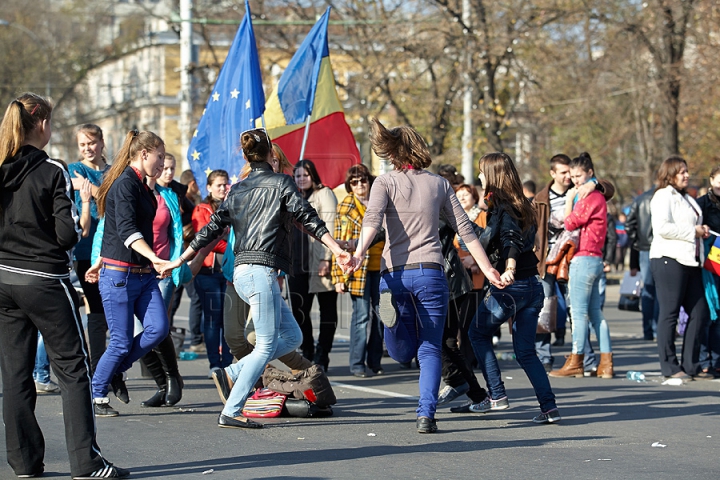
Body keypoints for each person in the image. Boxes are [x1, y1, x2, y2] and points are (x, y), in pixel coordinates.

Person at [161, 128, 350, 429]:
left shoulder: (237, 190)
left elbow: (209, 230)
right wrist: (336, 246)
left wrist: (180, 259)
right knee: (264, 346)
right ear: (271, 155)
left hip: (243, 274)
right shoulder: (281, 183)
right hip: (262, 273)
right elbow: (308, 217)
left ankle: (234, 372)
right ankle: (231, 410)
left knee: (293, 337)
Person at [0, 93, 127, 479]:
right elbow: (67, 234)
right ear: (42, 125)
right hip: (44, 280)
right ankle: (86, 463)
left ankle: (23, 462)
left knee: (14, 373)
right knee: (73, 369)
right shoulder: (52, 169)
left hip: (4, 279)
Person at [348, 119, 503, 434]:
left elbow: (373, 220)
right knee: (430, 348)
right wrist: (489, 270)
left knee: (401, 352)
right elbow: (466, 231)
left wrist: (359, 252)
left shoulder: (385, 182)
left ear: (392, 152)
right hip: (432, 274)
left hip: (394, 274)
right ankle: (426, 415)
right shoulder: (439, 184)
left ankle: (391, 324)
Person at [464, 152, 560, 424]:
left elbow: (510, 239)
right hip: (532, 287)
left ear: (492, 175)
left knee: (477, 333)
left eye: (482, 171)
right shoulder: (523, 204)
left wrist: (509, 268)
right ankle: (549, 408)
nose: (479, 176)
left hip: (512, 287)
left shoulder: (503, 207)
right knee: (526, 351)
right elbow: (498, 237)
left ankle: (496, 394)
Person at [85, 129, 170, 417]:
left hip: (143, 275)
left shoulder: (144, 187)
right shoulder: (124, 185)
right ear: (144, 154)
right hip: (120, 276)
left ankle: (114, 372)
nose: (162, 163)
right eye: (159, 157)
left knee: (158, 328)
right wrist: (154, 257)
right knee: (120, 342)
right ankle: (97, 394)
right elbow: (126, 231)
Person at [533, 154, 612, 371]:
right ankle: (604, 363)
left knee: (577, 312)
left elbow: (570, 222)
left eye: (576, 174)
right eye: (566, 173)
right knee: (549, 307)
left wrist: (586, 188)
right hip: (553, 258)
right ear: (553, 174)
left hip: (579, 257)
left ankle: (580, 361)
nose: (571, 178)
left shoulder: (587, 194)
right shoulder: (542, 197)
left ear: (589, 174)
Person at [137, 153, 192, 406]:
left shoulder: (168, 196)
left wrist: (175, 263)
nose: (163, 171)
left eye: (168, 167)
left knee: (157, 326)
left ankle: (171, 378)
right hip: (133, 270)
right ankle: (162, 383)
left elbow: (178, 231)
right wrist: (98, 261)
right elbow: (107, 229)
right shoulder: (130, 191)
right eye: (160, 166)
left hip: (162, 271)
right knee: (136, 333)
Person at [650, 156, 710, 381]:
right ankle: (669, 365)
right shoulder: (663, 195)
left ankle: (690, 364)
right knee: (670, 313)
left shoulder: (686, 197)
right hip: (668, 259)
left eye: (686, 171)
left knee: (700, 311)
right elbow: (662, 228)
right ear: (670, 174)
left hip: (691, 260)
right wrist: (692, 231)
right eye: (681, 171)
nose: (686, 175)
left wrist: (701, 230)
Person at [437, 184, 492, 411]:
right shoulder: (410, 209)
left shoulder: (444, 210)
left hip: (451, 281)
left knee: (442, 339)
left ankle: (459, 383)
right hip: (434, 279)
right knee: (446, 341)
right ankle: (476, 394)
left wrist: (486, 262)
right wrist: (355, 247)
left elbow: (475, 233)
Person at [331, 164, 385, 377]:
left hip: (384, 267)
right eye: (354, 182)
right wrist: (338, 276)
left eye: (363, 180)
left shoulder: (381, 203)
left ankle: (375, 361)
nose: (360, 185)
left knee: (383, 316)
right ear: (349, 186)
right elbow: (338, 243)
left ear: (370, 181)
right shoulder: (345, 206)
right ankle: (357, 364)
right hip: (358, 270)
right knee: (362, 317)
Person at [68, 124, 111, 375]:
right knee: (96, 308)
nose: (87, 149)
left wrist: (98, 193)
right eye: (82, 144)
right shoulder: (75, 170)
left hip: (113, 249)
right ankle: (97, 368)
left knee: (112, 311)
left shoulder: (113, 172)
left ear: (102, 142)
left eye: (92, 143)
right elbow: (108, 200)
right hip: (86, 250)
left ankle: (112, 366)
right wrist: (103, 197)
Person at [288, 159, 338, 370]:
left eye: (305, 175)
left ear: (313, 175)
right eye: (298, 175)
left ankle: (322, 354)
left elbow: (330, 224)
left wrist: (326, 257)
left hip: (319, 261)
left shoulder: (323, 194)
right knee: (299, 311)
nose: (302, 179)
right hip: (296, 263)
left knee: (327, 311)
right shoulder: (291, 196)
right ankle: (307, 351)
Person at [192, 169, 234, 377]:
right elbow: (205, 238)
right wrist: (231, 244)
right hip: (207, 272)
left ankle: (227, 362)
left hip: (229, 272)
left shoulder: (233, 206)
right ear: (208, 187)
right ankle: (214, 363)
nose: (222, 188)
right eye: (218, 185)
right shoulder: (201, 209)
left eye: (225, 184)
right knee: (212, 318)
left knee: (228, 318)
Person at [169, 169, 204, 350]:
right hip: (179, 256)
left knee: (179, 298)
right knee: (181, 299)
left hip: (182, 256)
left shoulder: (189, 202)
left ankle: (189, 337)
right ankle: (195, 338)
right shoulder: (178, 200)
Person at [626, 187, 658, 341]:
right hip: (659, 247)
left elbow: (628, 224)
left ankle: (648, 330)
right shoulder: (666, 197)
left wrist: (637, 242)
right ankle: (657, 329)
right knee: (659, 291)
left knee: (648, 290)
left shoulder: (641, 199)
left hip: (645, 248)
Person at [697, 165, 720, 378]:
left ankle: (718, 359)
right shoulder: (701, 204)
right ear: (711, 179)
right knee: (709, 313)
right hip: (708, 265)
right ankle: (705, 361)